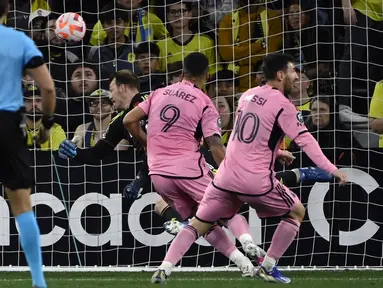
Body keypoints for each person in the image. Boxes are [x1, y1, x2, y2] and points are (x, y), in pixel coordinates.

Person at [145, 53, 348, 284]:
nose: (296, 77)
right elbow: (306, 141)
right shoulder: (285, 106)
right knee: (297, 211)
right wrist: (332, 169)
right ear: (281, 75)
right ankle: (268, 266)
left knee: (199, 223)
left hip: (224, 177)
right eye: (293, 72)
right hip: (254, 180)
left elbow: (241, 139)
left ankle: (164, 268)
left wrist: (276, 151)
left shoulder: (247, 96)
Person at [124, 52, 288, 280]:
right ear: (207, 76)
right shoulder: (204, 103)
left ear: (182, 73)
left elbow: (128, 120)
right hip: (188, 169)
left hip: (158, 174)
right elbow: (214, 144)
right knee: (227, 205)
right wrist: (231, 171)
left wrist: (146, 141)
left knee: (202, 221)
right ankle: (248, 243)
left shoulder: (158, 93)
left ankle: (242, 263)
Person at [0, 1, 56, 287]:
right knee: (22, 204)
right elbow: (47, 87)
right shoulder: (19, 40)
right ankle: (38, 281)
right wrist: (46, 125)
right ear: (7, 11)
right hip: (8, 125)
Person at [58, 70, 143, 164]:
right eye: (94, 103)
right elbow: (96, 154)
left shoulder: (153, 102)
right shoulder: (120, 121)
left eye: (111, 90)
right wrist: (74, 152)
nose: (111, 97)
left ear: (121, 88)